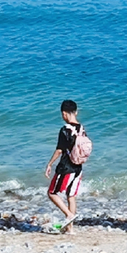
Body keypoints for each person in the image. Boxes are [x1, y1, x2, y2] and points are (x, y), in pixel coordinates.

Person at [44, 99, 87, 234]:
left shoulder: (65, 130)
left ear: (64, 114)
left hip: (66, 167)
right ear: (76, 112)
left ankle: (69, 215)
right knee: (71, 196)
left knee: (52, 193)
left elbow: (59, 150)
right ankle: (70, 229)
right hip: (78, 167)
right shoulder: (81, 128)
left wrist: (50, 164)